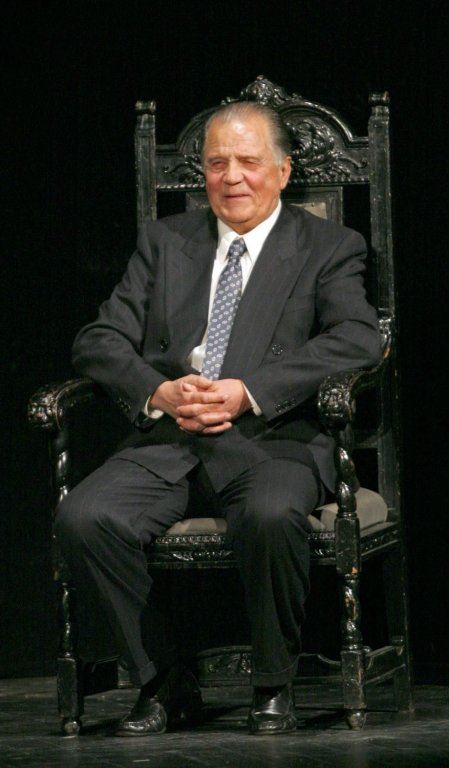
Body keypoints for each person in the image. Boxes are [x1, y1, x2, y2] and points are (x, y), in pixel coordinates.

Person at [55, 101, 381, 736]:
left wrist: (248, 391)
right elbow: (98, 340)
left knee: (271, 514)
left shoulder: (328, 246)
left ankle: (273, 685)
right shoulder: (165, 241)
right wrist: (159, 391)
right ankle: (164, 681)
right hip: (170, 437)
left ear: (283, 171)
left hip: (273, 438)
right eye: (216, 163)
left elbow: (357, 339)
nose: (232, 177)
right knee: (84, 517)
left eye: (249, 162)